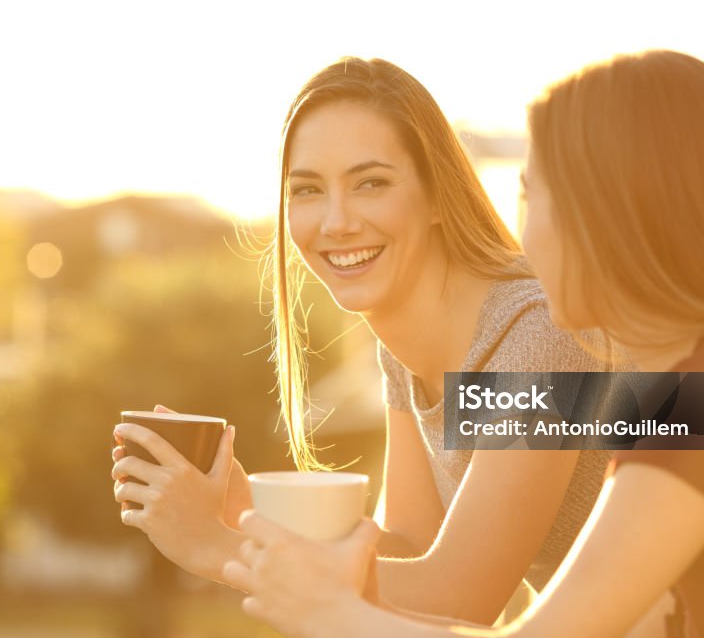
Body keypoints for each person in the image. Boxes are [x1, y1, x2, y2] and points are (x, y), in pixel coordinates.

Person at [223, 50, 704, 637]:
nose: (519, 235)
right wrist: (248, 517)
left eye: (532, 193)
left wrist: (309, 595)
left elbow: (502, 612)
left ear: (614, 213)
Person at [110, 57, 620, 625]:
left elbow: (463, 596)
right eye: (307, 190)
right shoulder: (403, 350)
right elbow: (409, 546)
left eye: (370, 183)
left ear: (436, 194)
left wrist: (216, 547)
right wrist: (241, 508)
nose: (336, 221)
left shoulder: (534, 337)